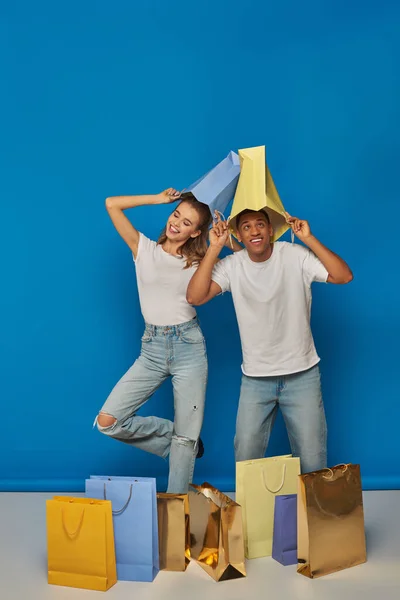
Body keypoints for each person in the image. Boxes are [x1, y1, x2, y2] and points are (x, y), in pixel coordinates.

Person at [186, 208, 353, 473]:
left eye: (260, 225)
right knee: (246, 459)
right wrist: (214, 249)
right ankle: (254, 516)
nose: (255, 231)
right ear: (238, 234)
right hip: (255, 379)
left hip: (302, 376)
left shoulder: (294, 255)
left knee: (313, 463)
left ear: (271, 230)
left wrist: (308, 238)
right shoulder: (233, 265)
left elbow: (343, 276)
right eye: (247, 227)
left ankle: (310, 515)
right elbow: (195, 297)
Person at [94, 188, 226, 493]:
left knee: (184, 444)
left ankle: (177, 515)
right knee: (108, 421)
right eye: (176, 214)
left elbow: (238, 251)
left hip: (188, 347)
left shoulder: (200, 261)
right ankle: (177, 438)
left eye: (187, 222)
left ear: (196, 232)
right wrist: (159, 199)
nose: (177, 223)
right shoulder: (144, 249)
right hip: (152, 348)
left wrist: (220, 237)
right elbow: (111, 202)